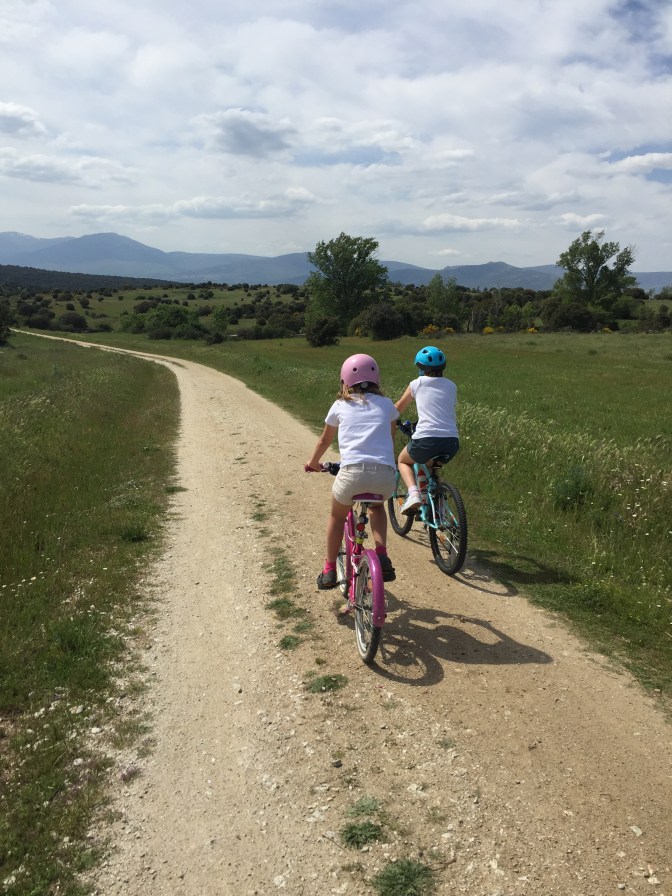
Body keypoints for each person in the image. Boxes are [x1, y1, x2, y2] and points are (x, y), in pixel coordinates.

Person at [305, 353, 399, 589]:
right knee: (377, 507)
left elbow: (324, 440)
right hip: (385, 475)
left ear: (344, 381)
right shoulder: (387, 405)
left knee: (337, 516)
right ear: (376, 379)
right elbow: (390, 438)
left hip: (352, 475)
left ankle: (329, 569)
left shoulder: (340, 405)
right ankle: (382, 554)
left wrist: (313, 462)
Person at [394, 345, 459, 515]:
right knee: (431, 468)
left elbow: (398, 408)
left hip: (426, 439)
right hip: (452, 441)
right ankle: (439, 510)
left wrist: (384, 417)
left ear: (421, 369)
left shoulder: (417, 383)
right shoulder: (452, 386)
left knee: (403, 461)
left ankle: (414, 494)